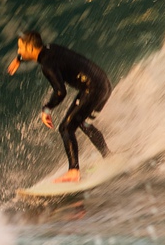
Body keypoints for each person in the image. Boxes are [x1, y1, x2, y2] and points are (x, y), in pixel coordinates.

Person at [7, 30, 111, 183]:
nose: (18, 51)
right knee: (84, 123)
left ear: (29, 48)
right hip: (104, 84)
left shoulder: (47, 65)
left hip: (93, 90)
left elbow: (61, 92)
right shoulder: (50, 48)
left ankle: (73, 172)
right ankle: (108, 156)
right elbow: (31, 52)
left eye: (20, 48)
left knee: (66, 128)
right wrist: (19, 59)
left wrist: (46, 109)